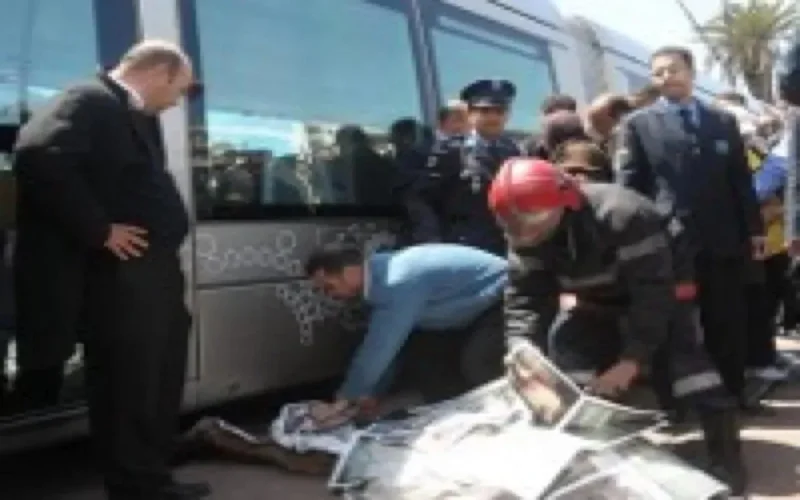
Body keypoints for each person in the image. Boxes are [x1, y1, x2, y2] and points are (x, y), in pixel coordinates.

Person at [13, 40, 206, 500]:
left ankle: (152, 471)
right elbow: (38, 155)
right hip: (122, 276)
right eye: (178, 89)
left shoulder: (131, 114)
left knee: (160, 373)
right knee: (130, 381)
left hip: (152, 273)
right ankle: (135, 484)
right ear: (160, 72)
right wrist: (99, 230)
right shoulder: (90, 99)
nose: (177, 101)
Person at [489, 158, 747, 494]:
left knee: (688, 370)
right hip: (595, 297)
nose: (524, 233)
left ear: (565, 203)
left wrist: (632, 360)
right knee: (569, 361)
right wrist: (520, 348)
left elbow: (653, 295)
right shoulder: (525, 233)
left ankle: (727, 461)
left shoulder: (623, 215)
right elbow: (524, 294)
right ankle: (593, 455)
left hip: (664, 290)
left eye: (532, 221)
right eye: (511, 224)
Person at [614, 46, 764, 405]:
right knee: (670, 324)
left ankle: (733, 392)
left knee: (726, 319)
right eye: (659, 72)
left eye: (674, 69)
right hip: (668, 241)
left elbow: (740, 181)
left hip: (723, 239)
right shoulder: (638, 124)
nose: (667, 77)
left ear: (691, 73)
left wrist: (754, 230)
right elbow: (629, 186)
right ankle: (674, 401)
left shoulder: (722, 122)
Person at [305, 242, 507, 416]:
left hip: (504, 299)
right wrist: (372, 394)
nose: (329, 295)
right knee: (424, 359)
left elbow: (379, 349)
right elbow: (392, 347)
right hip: (469, 310)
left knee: (478, 364)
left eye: (328, 287)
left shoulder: (396, 282)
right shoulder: (383, 274)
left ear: (349, 272)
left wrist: (344, 399)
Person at [406, 79, 521, 255]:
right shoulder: (452, 150)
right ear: (470, 113)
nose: (493, 117)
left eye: (500, 111)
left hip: (511, 249)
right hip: (467, 250)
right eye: (485, 111)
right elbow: (420, 198)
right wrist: (433, 242)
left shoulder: (516, 152)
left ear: (508, 114)